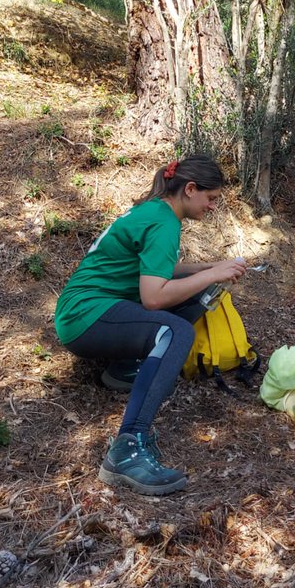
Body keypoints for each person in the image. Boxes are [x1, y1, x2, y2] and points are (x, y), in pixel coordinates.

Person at [54, 155, 247, 496]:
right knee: (176, 332)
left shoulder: (156, 212)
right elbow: (154, 298)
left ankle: (125, 369)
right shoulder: (164, 222)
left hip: (86, 312)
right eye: (211, 198)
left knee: (202, 291)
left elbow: (159, 270)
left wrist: (212, 268)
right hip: (86, 316)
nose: (212, 206)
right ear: (190, 189)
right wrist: (212, 273)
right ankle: (127, 449)